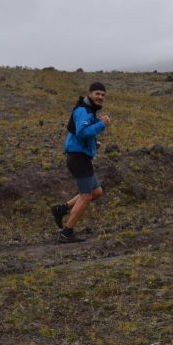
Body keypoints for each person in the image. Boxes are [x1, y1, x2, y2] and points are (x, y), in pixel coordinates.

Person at [51, 81, 111, 243]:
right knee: (86, 196)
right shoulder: (83, 110)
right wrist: (102, 124)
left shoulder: (89, 110)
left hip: (81, 156)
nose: (100, 97)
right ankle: (66, 232)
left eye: (103, 95)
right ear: (89, 93)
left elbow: (81, 135)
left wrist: (93, 144)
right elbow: (82, 132)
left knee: (97, 192)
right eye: (97, 93)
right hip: (78, 158)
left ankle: (61, 209)